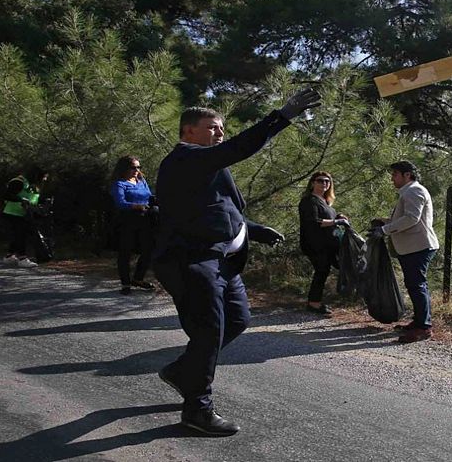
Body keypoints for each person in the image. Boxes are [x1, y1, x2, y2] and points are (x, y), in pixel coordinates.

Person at [153, 89, 320, 436]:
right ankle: (196, 409)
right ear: (188, 132)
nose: (220, 133)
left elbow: (221, 210)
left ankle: (184, 370)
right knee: (208, 331)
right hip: (193, 260)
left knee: (239, 319)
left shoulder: (208, 166)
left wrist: (255, 230)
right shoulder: (184, 160)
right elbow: (239, 147)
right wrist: (282, 116)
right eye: (212, 128)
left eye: (222, 128)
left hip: (223, 262)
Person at [370, 161, 439, 344]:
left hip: (418, 246)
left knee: (417, 286)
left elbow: (411, 219)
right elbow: (404, 218)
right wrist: (384, 222)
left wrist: (384, 230)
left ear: (407, 175)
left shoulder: (414, 191)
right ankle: (419, 322)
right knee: (415, 285)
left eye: (395, 174)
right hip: (413, 246)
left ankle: (423, 328)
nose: (392, 178)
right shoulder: (409, 191)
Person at [298, 171, 350, 315]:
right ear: (313, 182)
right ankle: (314, 303)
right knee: (322, 270)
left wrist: (338, 216)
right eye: (320, 180)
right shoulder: (308, 201)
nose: (324, 183)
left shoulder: (325, 201)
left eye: (327, 181)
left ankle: (321, 299)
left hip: (328, 244)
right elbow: (314, 221)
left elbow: (328, 217)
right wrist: (336, 221)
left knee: (336, 267)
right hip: (314, 245)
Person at [109, 155, 156, 295]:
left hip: (145, 219)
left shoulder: (141, 181)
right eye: (133, 167)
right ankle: (125, 283)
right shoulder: (119, 184)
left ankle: (138, 278)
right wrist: (136, 206)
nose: (136, 170)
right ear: (124, 168)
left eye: (138, 167)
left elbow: (149, 196)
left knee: (148, 249)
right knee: (125, 252)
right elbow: (120, 203)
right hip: (128, 221)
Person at [1, 166, 49, 268]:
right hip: (13, 212)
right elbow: (6, 195)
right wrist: (21, 200)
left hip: (24, 213)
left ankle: (9, 256)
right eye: (44, 177)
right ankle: (22, 258)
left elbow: (32, 198)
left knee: (19, 235)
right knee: (20, 235)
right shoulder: (19, 182)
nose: (45, 179)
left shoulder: (33, 186)